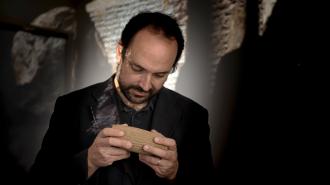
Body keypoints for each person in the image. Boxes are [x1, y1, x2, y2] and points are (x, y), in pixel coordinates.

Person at [29, 12, 214, 185]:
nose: (145, 85)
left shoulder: (194, 116)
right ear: (120, 52)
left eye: (159, 75)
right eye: (137, 69)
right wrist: (89, 161)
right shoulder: (70, 106)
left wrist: (175, 172)